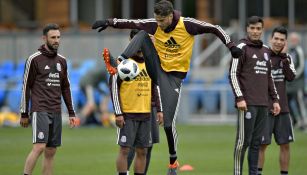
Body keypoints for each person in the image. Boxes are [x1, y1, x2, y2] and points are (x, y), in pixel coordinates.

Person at [92, 1, 243, 173]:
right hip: (157, 68)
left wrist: (231, 46)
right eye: (157, 20)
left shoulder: (187, 25)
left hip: (173, 78)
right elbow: (131, 22)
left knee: (168, 124)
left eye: (162, 21)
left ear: (171, 16)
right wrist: (108, 22)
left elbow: (215, 28)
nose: (159, 24)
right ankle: (119, 62)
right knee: (141, 33)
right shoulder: (154, 25)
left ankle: (173, 162)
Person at [19, 23, 78, 175]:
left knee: (51, 151)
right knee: (39, 147)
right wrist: (24, 113)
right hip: (40, 109)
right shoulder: (34, 59)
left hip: (56, 110)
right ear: (44, 38)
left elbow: (66, 87)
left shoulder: (62, 61)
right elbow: (26, 86)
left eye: (58, 37)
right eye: (53, 37)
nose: (56, 40)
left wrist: (71, 112)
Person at [228, 16, 281, 175]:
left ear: (262, 30)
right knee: (242, 143)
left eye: (258, 28)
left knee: (257, 143)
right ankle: (238, 173)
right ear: (247, 29)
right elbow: (232, 74)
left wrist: (275, 100)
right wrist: (240, 98)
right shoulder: (241, 47)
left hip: (263, 104)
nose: (255, 31)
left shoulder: (266, 50)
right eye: (252, 28)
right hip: (247, 103)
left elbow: (269, 77)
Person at [107, 29, 163, 175]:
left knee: (143, 151)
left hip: (146, 114)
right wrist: (118, 113)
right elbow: (113, 87)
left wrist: (160, 109)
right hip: (128, 114)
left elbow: (155, 87)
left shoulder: (151, 63)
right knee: (125, 149)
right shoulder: (123, 64)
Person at [257, 26, 296, 175]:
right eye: (276, 39)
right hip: (265, 108)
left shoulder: (287, 58)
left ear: (285, 42)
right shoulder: (263, 55)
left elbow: (291, 77)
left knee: (285, 145)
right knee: (262, 145)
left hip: (283, 109)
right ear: (270, 39)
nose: (278, 42)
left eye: (282, 40)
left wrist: (285, 59)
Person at [79, 61, 111, 126]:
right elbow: (109, 85)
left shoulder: (101, 68)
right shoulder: (106, 70)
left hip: (86, 83)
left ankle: (77, 121)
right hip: (88, 84)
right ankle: (77, 121)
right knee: (91, 104)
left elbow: (99, 84)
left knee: (93, 105)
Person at [286, 32, 306, 130]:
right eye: (291, 39)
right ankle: (294, 120)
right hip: (289, 82)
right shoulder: (289, 51)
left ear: (298, 41)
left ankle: (304, 122)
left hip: (298, 82)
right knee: (286, 101)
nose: (293, 41)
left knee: (299, 101)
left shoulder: (299, 50)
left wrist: (294, 75)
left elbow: (301, 66)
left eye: (295, 40)